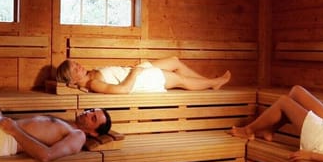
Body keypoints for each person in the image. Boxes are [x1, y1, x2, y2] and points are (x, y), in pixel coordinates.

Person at [55, 57, 231, 94]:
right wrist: (135, 72)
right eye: (75, 69)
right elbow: (123, 90)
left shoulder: (90, 75)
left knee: (174, 61)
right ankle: (213, 83)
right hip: (138, 79)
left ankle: (209, 82)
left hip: (135, 71)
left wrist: (134, 69)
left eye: (76, 63)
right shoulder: (93, 83)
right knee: (180, 80)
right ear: (73, 79)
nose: (79, 66)